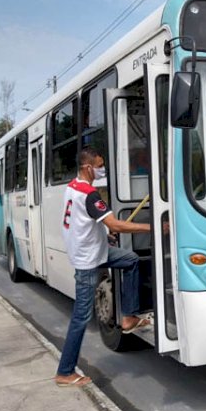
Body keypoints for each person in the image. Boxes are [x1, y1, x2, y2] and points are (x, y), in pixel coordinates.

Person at [55, 147, 151, 388]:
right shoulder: (89, 194)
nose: (102, 169)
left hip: (95, 250)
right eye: (99, 165)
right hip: (88, 261)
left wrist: (103, 236)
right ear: (89, 168)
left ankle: (128, 317)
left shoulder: (72, 187)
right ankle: (65, 372)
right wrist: (152, 228)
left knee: (130, 260)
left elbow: (82, 223)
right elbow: (115, 224)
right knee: (81, 317)